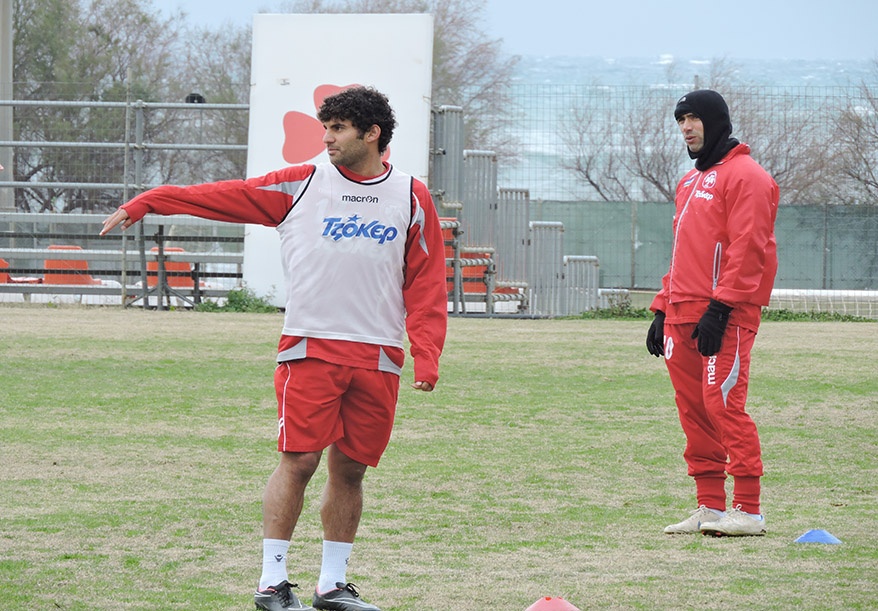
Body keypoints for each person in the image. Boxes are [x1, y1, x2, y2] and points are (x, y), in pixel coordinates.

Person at [101, 86, 448, 610]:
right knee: (300, 461)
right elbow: (222, 195)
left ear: (372, 133)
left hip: (378, 355)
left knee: (350, 470)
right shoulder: (303, 183)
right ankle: (271, 582)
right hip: (310, 347)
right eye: (325, 127)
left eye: (338, 128)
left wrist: (427, 350)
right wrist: (150, 201)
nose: (327, 138)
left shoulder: (411, 195)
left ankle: (332, 586)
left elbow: (425, 279)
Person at [645, 89, 778, 537]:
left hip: (726, 313)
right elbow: (683, 251)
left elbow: (749, 248)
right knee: (693, 410)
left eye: (694, 118)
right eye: (681, 120)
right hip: (681, 313)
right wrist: (662, 307)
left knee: (722, 403)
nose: (686, 127)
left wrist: (721, 307)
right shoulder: (688, 182)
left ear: (716, 121)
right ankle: (710, 506)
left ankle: (749, 509)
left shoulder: (748, 176)